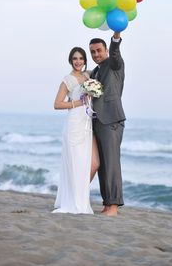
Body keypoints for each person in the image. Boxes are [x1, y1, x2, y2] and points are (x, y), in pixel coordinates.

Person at [52, 47, 99, 214]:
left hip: (87, 123)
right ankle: (73, 201)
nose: (78, 61)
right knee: (75, 163)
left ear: (85, 60)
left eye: (81, 58)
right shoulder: (68, 80)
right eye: (75, 59)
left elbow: (103, 69)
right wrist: (78, 103)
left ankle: (80, 198)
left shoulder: (89, 76)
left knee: (90, 163)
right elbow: (57, 104)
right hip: (74, 124)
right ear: (71, 61)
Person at [89, 32, 126, 216]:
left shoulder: (113, 64)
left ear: (105, 50)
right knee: (103, 166)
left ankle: (113, 207)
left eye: (98, 51)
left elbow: (115, 53)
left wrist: (116, 37)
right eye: (93, 52)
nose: (96, 54)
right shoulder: (95, 71)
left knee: (111, 164)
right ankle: (107, 204)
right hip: (97, 122)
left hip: (112, 120)